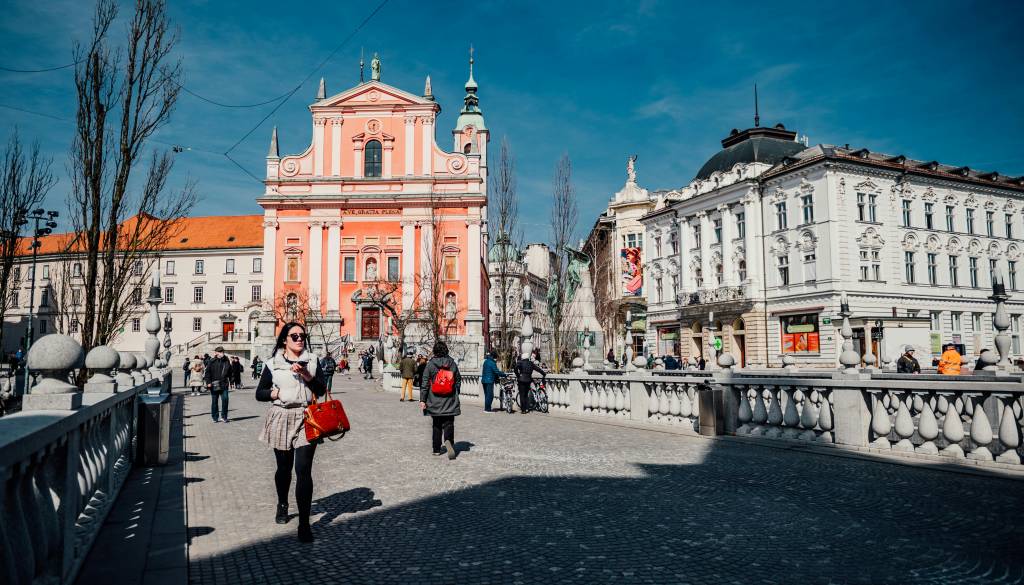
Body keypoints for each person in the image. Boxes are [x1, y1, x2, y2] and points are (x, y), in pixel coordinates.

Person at [255, 322, 327, 543]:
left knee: (303, 470)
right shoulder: (272, 364)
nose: (299, 339)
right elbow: (260, 393)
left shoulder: (313, 361)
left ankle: (304, 524)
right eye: (294, 336)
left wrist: (306, 374)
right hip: (281, 416)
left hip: (307, 418)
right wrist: (275, 394)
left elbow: (321, 390)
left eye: (302, 335)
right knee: (283, 469)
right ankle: (283, 502)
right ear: (284, 339)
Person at [419, 341, 462, 459]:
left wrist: (423, 400)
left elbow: (425, 383)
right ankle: (449, 441)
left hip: (434, 400)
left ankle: (436, 449)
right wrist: (455, 391)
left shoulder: (431, 364)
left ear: (435, 351)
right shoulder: (452, 363)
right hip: (449, 399)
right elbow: (458, 379)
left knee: (436, 425)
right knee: (449, 423)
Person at [204, 347, 233, 422]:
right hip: (214, 384)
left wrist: (232, 382)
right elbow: (207, 373)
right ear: (216, 353)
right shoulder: (212, 361)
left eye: (222, 351)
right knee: (214, 401)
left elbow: (230, 372)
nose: (221, 353)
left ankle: (224, 416)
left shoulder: (226, 361)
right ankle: (215, 417)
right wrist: (208, 382)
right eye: (219, 352)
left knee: (225, 400)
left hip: (224, 384)